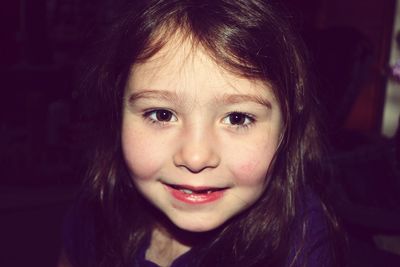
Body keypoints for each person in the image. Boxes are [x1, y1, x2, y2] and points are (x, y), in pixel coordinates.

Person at [60, 0, 344, 266]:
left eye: (237, 118)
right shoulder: (94, 212)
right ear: (117, 113)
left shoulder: (300, 240)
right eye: (162, 114)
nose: (195, 157)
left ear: (288, 126)